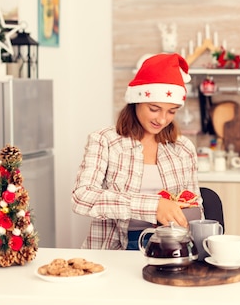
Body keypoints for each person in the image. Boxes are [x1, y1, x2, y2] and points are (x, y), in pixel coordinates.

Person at [71, 53, 201, 250]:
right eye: (154, 108)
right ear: (137, 101)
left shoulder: (184, 148)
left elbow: (195, 204)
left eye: (172, 111)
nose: (163, 119)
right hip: (115, 250)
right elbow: (82, 197)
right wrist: (153, 206)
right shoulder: (105, 141)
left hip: (170, 247)